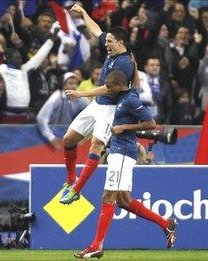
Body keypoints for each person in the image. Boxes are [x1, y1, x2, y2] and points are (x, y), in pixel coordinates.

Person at [74, 71, 177, 258]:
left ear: (120, 85)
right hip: (117, 151)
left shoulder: (130, 100)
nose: (107, 90)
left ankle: (97, 245)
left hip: (123, 153)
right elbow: (134, 79)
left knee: (107, 197)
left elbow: (151, 123)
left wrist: (124, 128)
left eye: (110, 87)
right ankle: (165, 224)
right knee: (123, 200)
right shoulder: (122, 96)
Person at [59, 4, 134, 204]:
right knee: (68, 140)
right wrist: (84, 13)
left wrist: (80, 93)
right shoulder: (112, 51)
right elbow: (96, 31)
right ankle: (70, 180)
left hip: (110, 109)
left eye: (110, 42)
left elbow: (109, 89)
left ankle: (76, 190)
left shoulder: (125, 64)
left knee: (96, 147)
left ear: (120, 42)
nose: (106, 44)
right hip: (97, 105)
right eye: (107, 41)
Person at [36, 72, 90, 150]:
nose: (74, 86)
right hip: (52, 133)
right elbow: (41, 118)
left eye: (75, 84)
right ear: (63, 85)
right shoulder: (56, 97)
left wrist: (85, 136)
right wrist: (51, 137)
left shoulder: (81, 98)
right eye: (70, 83)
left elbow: (94, 114)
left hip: (70, 135)